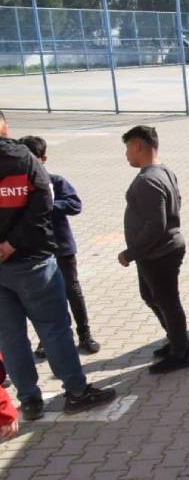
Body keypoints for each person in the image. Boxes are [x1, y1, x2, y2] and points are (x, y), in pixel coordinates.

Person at [0, 109, 116, 420]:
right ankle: (76, 392)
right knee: (54, 329)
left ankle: (30, 401)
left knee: (10, 337)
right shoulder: (24, 160)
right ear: (5, 126)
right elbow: (42, 208)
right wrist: (11, 244)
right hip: (33, 264)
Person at [119, 126, 189, 375]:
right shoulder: (165, 172)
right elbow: (177, 202)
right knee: (153, 297)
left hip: (158, 254)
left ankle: (181, 354)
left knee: (167, 302)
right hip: (155, 252)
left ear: (139, 146)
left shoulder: (147, 180)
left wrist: (130, 253)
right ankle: (177, 340)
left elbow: (156, 225)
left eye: (128, 148)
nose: (127, 154)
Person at [19, 136, 101, 357]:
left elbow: (74, 204)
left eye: (33, 158)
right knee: (41, 298)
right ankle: (48, 340)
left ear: (43, 158)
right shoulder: (18, 186)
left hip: (62, 248)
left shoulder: (55, 181)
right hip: (34, 252)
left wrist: (46, 205)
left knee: (72, 291)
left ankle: (84, 334)